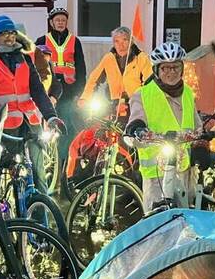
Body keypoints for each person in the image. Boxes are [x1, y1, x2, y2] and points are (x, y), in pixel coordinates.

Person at [0, 15, 65, 192]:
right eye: (4, 33)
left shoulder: (25, 59)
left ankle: (40, 213)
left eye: (12, 33)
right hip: (0, 127)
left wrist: (51, 117)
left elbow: (38, 91)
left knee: (38, 174)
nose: (9, 37)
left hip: (30, 124)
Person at [126, 41, 203, 212]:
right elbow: (135, 120)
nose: (171, 72)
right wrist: (138, 129)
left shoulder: (188, 93)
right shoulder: (143, 94)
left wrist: (200, 137)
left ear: (182, 69)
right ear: (157, 70)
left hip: (183, 169)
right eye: (165, 68)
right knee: (156, 223)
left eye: (175, 67)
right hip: (157, 174)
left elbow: (197, 125)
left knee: (186, 220)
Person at [36, 7, 86, 163]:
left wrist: (80, 92)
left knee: (67, 126)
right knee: (46, 125)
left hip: (69, 92)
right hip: (48, 92)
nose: (60, 23)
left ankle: (63, 158)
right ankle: (45, 157)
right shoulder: (41, 41)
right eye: (57, 20)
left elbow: (81, 68)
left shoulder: (74, 41)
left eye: (63, 20)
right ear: (51, 22)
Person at [80, 26, 153, 119]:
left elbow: (149, 83)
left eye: (124, 40)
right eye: (116, 41)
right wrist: (85, 98)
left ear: (131, 41)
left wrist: (142, 101)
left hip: (136, 103)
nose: (120, 45)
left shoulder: (141, 57)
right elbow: (94, 78)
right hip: (114, 103)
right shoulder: (108, 58)